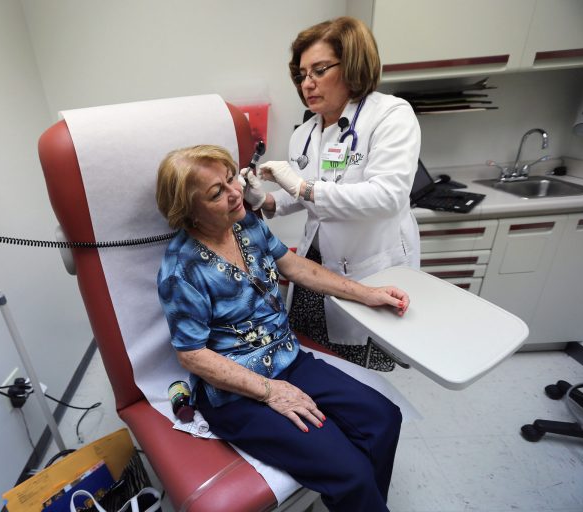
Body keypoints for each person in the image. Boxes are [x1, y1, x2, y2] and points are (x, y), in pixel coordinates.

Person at [155, 144, 409, 512]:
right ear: (187, 213)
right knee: (348, 470)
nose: (234, 193)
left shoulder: (244, 222)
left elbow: (293, 266)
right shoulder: (182, 271)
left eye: (230, 180)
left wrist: (367, 294)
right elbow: (191, 355)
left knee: (384, 418)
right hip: (237, 391)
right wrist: (269, 391)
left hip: (288, 358)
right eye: (215, 194)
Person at [242, 17, 421, 371]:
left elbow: (387, 197)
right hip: (316, 266)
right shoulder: (305, 133)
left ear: (352, 65)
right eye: (301, 74)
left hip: (372, 267)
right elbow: (304, 200)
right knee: (317, 358)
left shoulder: (390, 116)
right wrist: (263, 200)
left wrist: (303, 186)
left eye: (319, 70)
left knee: (364, 369)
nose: (307, 84)